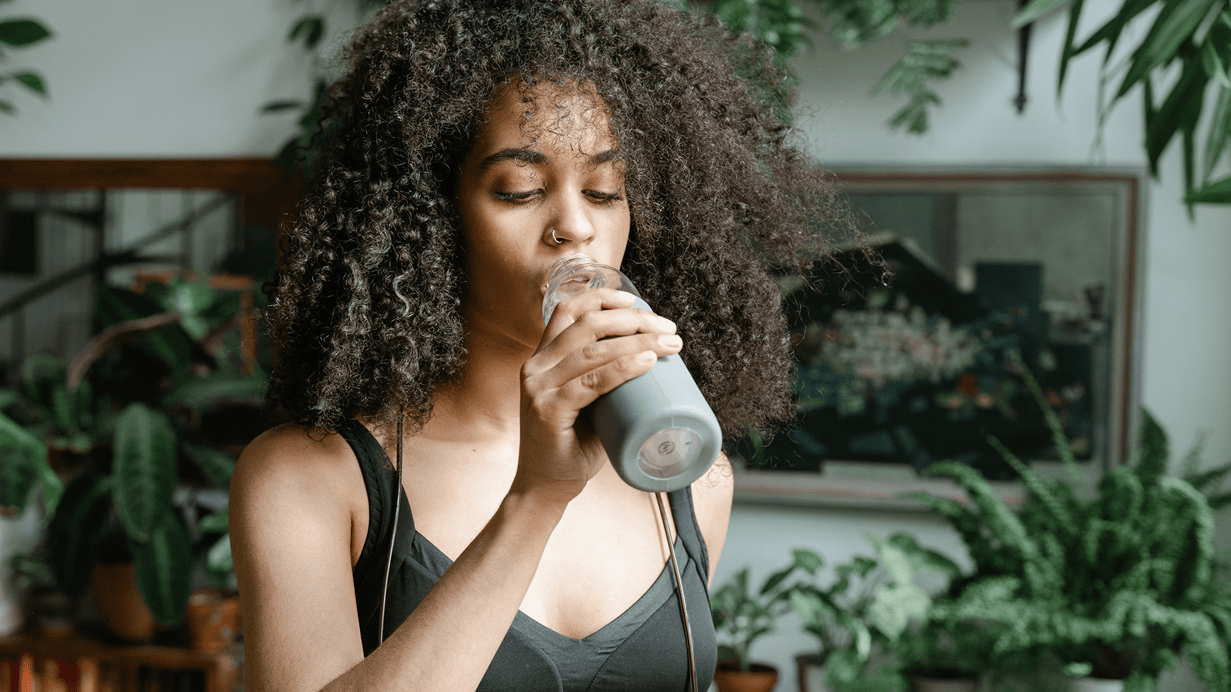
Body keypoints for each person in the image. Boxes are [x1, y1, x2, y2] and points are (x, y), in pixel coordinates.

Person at [230, 1, 846, 690]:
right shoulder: (309, 478)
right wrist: (536, 497)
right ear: (431, 216)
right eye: (520, 191)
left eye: (605, 191)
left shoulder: (691, 478)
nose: (574, 227)